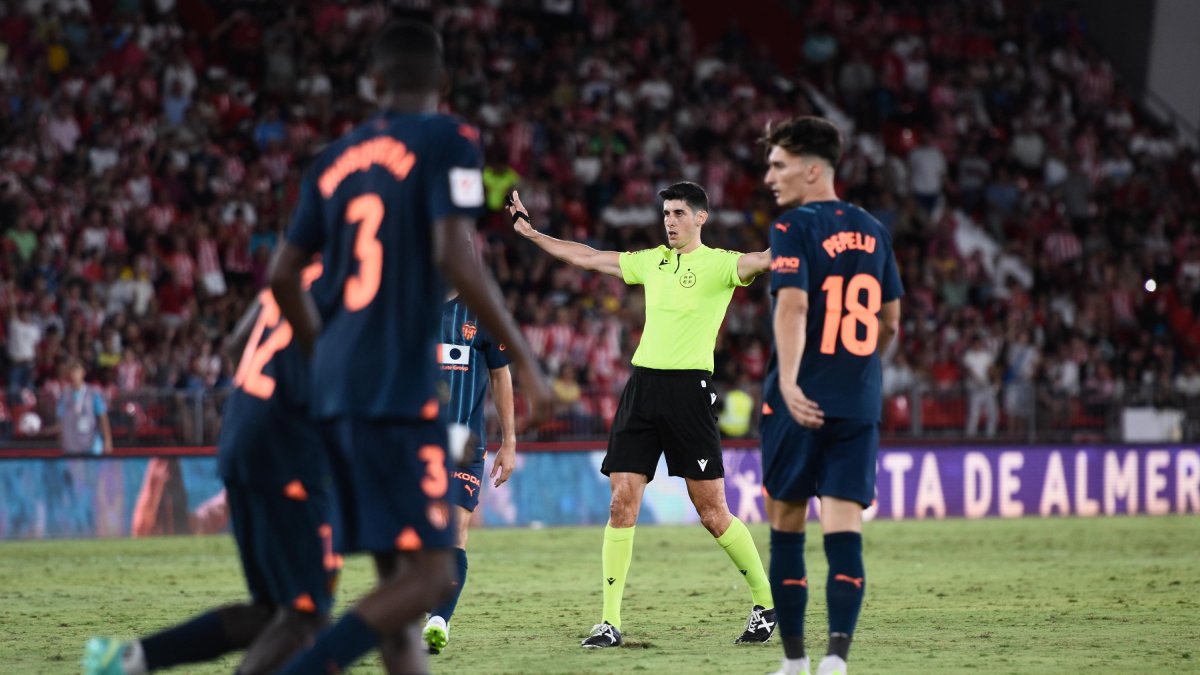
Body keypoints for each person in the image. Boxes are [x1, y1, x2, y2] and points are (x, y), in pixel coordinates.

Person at [267, 20, 550, 675]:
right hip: (400, 395)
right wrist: (529, 362)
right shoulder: (450, 141)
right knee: (423, 575)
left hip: (347, 392)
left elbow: (283, 275)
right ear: (443, 81)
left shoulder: (333, 160)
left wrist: (324, 360)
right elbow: (455, 251)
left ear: (374, 81)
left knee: (397, 576)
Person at [506, 182, 777, 648]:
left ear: (701, 218)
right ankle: (609, 622)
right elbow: (589, 257)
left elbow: (765, 260)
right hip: (642, 390)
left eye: (678, 213)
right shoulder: (651, 261)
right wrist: (532, 235)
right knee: (620, 504)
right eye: (666, 213)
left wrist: (809, 234)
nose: (669, 220)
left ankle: (765, 603)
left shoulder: (721, 264)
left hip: (689, 394)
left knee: (713, 513)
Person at [83, 262, 338, 675]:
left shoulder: (305, 268)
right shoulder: (359, 276)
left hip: (243, 433)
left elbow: (237, 345)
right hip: (291, 450)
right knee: (306, 616)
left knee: (274, 611)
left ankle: (127, 660)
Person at [759, 116, 902, 675]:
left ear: (812, 170)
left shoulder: (792, 226)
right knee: (845, 534)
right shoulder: (875, 229)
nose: (770, 176)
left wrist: (789, 382)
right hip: (857, 404)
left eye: (779, 165)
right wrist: (860, 368)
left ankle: (794, 662)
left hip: (800, 403)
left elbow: (792, 306)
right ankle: (836, 660)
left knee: (787, 528)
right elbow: (890, 321)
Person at [421, 289, 518, 654]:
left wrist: (509, 442)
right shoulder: (409, 302)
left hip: (464, 446)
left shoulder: (481, 311)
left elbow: (501, 376)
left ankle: (438, 621)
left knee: (456, 531)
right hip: (416, 445)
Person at [58, 358, 112, 455]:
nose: (75, 375)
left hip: (91, 442)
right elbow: (60, 419)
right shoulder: (64, 394)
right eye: (72, 372)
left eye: (77, 371)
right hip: (71, 444)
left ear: (83, 373)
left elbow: (103, 417)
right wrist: (61, 440)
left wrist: (108, 441)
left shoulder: (93, 393)